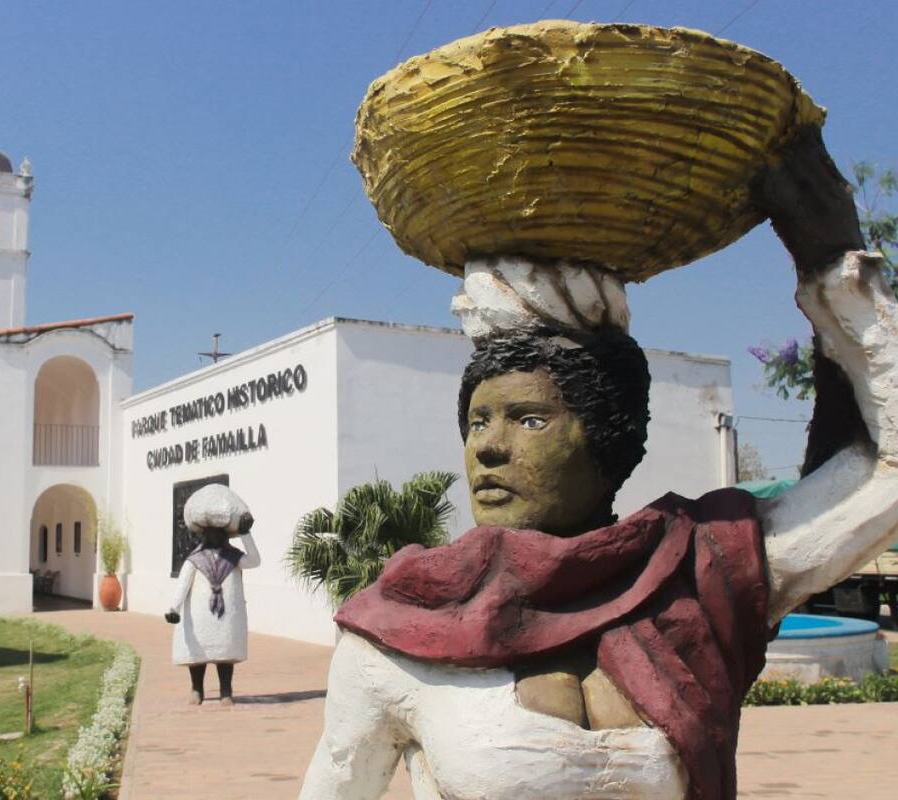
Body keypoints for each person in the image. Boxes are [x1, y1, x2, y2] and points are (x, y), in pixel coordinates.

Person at [299, 129, 898, 800]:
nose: (487, 448)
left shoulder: (699, 574)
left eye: (529, 419)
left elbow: (885, 477)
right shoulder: (399, 632)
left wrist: (830, 259)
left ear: (611, 438)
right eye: (475, 421)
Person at [165, 485, 261, 705]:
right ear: (203, 535)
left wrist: (246, 534)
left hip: (226, 618)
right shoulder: (194, 560)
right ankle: (196, 689)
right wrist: (173, 609)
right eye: (210, 532)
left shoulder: (234, 558)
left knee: (225, 653)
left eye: (219, 532)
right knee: (197, 655)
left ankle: (226, 691)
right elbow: (182, 586)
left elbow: (255, 561)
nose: (215, 536)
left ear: (226, 535)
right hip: (199, 617)